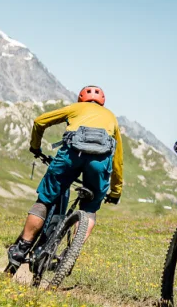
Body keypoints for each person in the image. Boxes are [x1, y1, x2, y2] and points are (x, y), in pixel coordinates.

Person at [7, 86, 123, 268]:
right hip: (99, 163)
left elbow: (39, 121)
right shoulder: (111, 117)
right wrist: (116, 191)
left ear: (81, 99)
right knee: (90, 209)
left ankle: (22, 248)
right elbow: (118, 159)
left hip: (70, 157)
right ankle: (69, 256)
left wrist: (35, 146)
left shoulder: (76, 108)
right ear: (103, 102)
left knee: (44, 200)